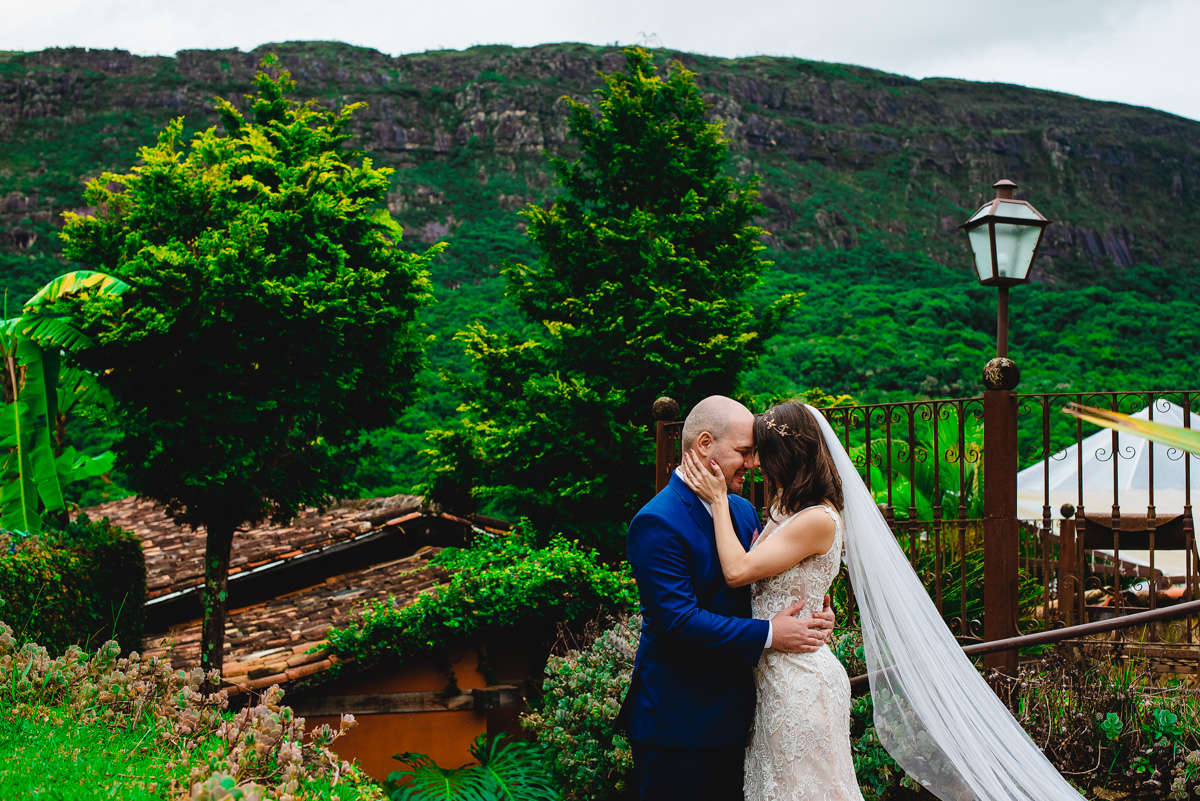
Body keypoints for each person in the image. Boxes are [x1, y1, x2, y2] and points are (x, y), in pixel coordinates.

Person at [680, 400, 1088, 801]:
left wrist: (716, 501)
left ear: (783, 455)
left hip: (800, 683)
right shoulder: (786, 510)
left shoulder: (817, 519)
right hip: (774, 676)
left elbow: (737, 571)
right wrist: (810, 608)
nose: (754, 465)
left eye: (760, 454)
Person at [620, 395, 837, 801]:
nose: (754, 464)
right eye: (744, 452)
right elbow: (679, 622)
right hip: (680, 727)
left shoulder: (741, 511)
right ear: (704, 444)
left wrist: (815, 613)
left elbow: (766, 585)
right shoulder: (656, 521)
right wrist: (773, 634)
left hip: (745, 719)